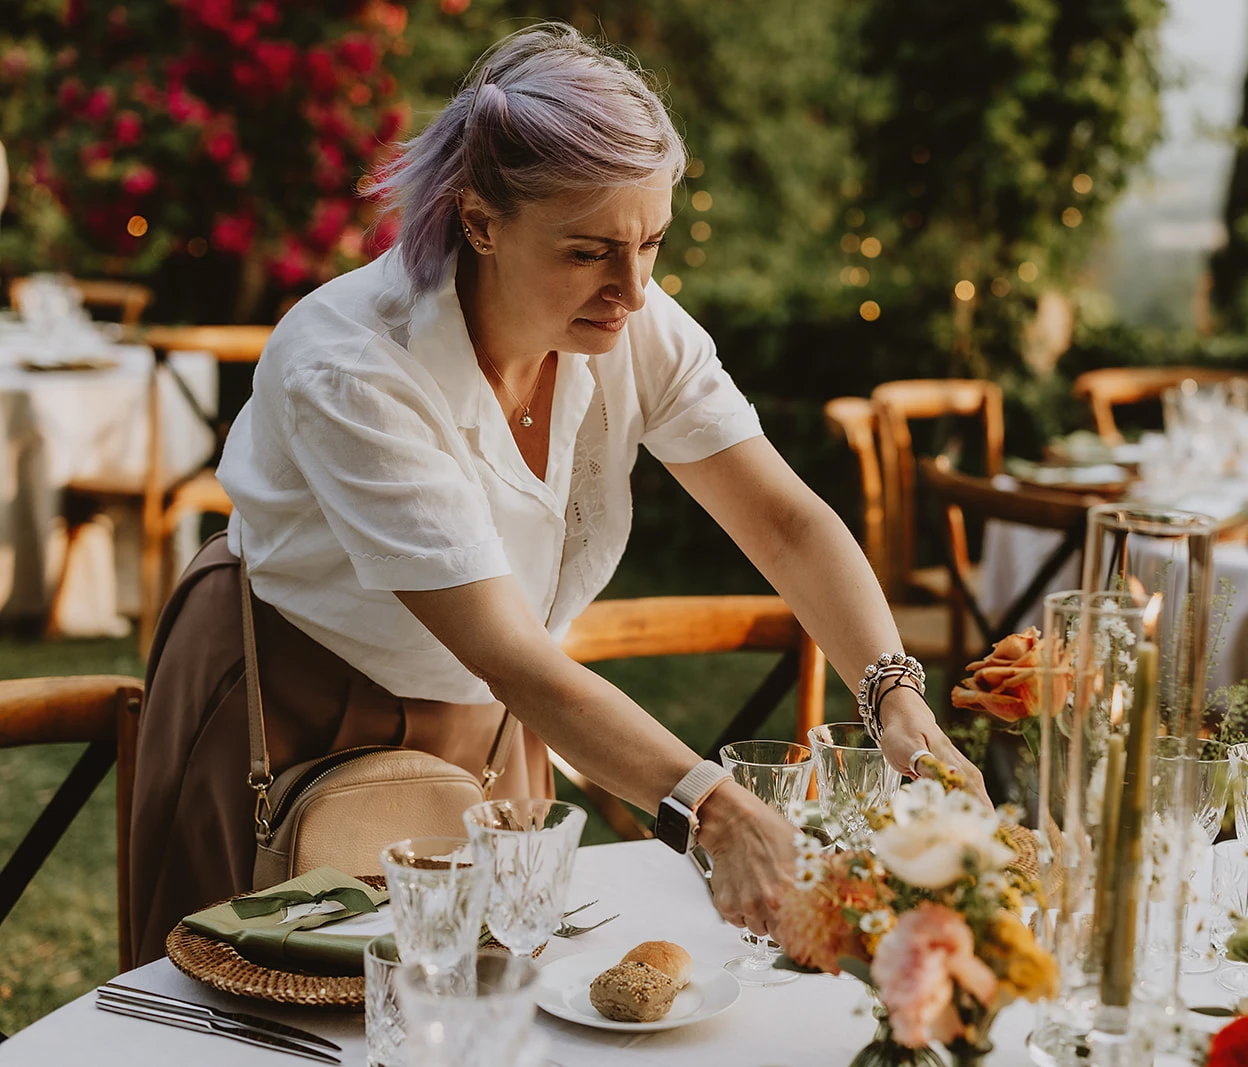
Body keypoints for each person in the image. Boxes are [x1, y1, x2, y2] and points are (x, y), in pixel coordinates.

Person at [127, 22, 982, 964]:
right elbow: (510, 653)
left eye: (650, 241)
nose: (631, 287)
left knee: (488, 1010)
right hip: (288, 713)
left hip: (503, 712)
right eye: (587, 252)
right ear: (479, 220)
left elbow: (784, 523)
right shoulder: (349, 368)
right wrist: (713, 804)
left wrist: (900, 703)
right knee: (270, 1016)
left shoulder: (633, 323)